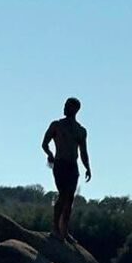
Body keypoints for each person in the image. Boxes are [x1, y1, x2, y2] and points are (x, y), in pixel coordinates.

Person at [42, 97, 91, 240]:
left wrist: (87, 167)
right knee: (63, 195)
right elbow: (44, 143)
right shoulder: (56, 125)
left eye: (67, 106)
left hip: (72, 166)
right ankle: (55, 228)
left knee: (70, 199)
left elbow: (83, 151)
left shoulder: (80, 130)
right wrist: (50, 154)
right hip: (60, 164)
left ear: (75, 109)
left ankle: (64, 229)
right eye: (64, 105)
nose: (64, 108)